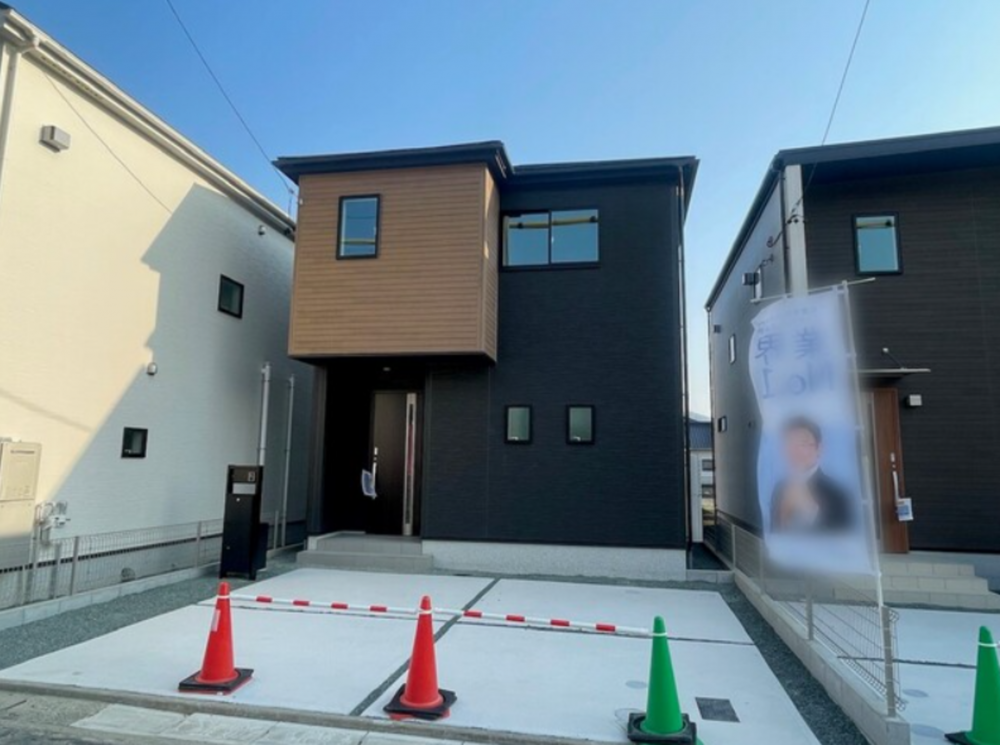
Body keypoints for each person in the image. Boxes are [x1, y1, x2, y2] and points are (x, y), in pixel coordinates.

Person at [770, 416, 854, 533]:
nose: (795, 451)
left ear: (819, 448)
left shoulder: (838, 493)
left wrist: (810, 510)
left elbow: (842, 538)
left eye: (802, 444)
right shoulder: (779, 488)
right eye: (789, 443)